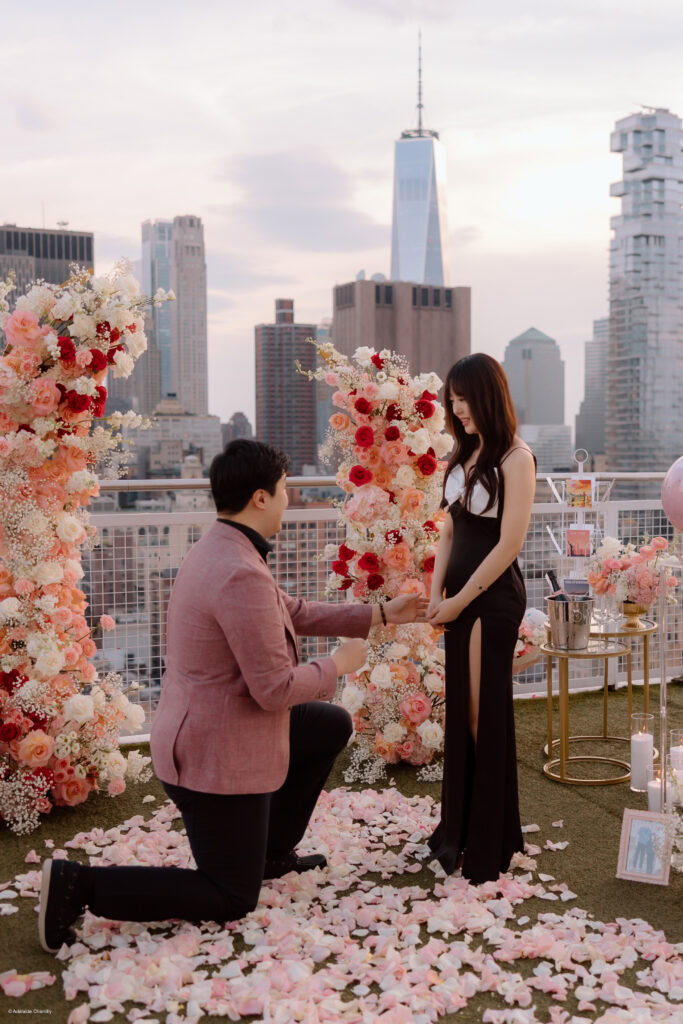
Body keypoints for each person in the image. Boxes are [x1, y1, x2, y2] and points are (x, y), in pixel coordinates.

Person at [39, 439, 427, 952]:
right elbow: (274, 691)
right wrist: (338, 664)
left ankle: (268, 853)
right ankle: (79, 885)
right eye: (285, 489)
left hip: (209, 730)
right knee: (230, 895)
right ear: (261, 498)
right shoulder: (239, 571)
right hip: (212, 760)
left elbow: (294, 611)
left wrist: (380, 614)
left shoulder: (222, 547)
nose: (289, 499)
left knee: (327, 724)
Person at [426, 353, 536, 885]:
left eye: (464, 396)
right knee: (464, 715)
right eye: (452, 397)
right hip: (457, 597)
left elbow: (509, 543)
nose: (455, 406)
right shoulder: (463, 452)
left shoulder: (516, 457)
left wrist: (460, 599)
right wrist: (434, 594)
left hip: (491, 599)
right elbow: (448, 531)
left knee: (479, 716)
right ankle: (464, 829)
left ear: (487, 396)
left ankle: (487, 840)